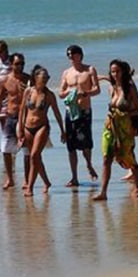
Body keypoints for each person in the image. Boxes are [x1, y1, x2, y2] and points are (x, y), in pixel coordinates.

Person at [92, 59, 138, 200]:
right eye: (113, 71)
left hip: (125, 128)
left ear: (123, 72)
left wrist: (128, 116)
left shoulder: (130, 88)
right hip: (110, 127)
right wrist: (100, 77)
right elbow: (104, 80)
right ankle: (103, 192)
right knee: (106, 157)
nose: (115, 74)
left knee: (127, 157)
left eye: (118, 71)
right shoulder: (111, 88)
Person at [18, 65, 66, 196]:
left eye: (47, 78)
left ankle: (30, 188)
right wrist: (20, 129)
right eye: (42, 77)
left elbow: (57, 113)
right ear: (35, 78)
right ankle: (46, 181)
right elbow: (22, 111)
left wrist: (63, 131)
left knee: (34, 155)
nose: (45, 80)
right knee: (36, 158)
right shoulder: (28, 92)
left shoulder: (49, 95)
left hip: (42, 127)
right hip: (28, 127)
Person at [58, 44, 101, 187]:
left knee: (86, 144)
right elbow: (60, 92)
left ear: (79, 55)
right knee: (71, 145)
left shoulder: (89, 70)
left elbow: (97, 89)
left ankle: (89, 164)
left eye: (72, 54)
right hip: (71, 111)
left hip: (84, 111)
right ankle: (74, 177)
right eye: (68, 55)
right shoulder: (66, 73)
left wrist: (85, 93)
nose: (70, 57)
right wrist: (70, 93)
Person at [0, 52, 30, 190]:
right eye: (18, 63)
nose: (21, 66)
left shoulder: (28, 80)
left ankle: (26, 180)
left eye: (22, 63)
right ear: (12, 65)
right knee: (6, 149)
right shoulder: (6, 80)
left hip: (25, 119)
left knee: (27, 151)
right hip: (10, 117)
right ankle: (10, 178)